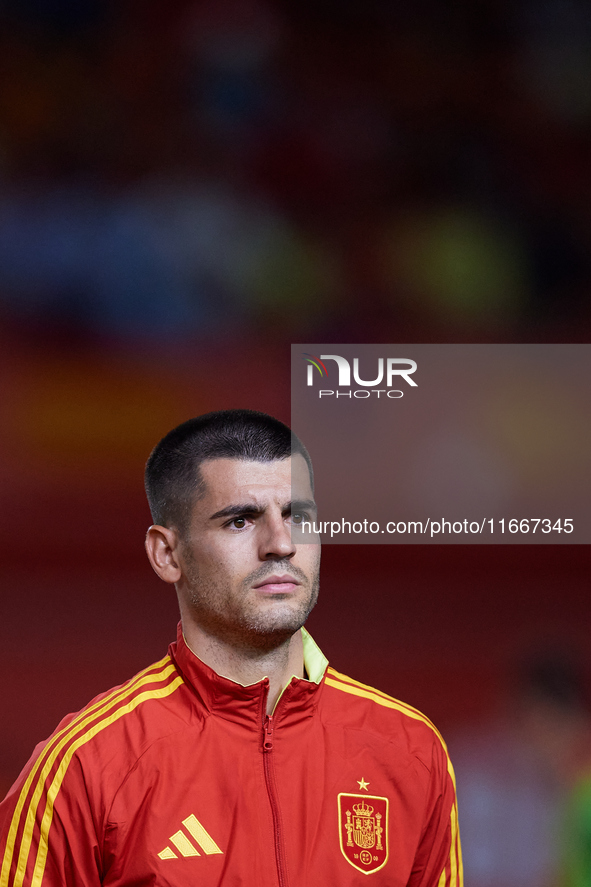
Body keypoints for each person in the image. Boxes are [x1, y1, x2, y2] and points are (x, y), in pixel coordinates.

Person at [0, 409, 462, 886]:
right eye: (240, 521)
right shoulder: (88, 764)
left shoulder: (410, 749)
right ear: (167, 554)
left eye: (297, 516)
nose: (281, 544)